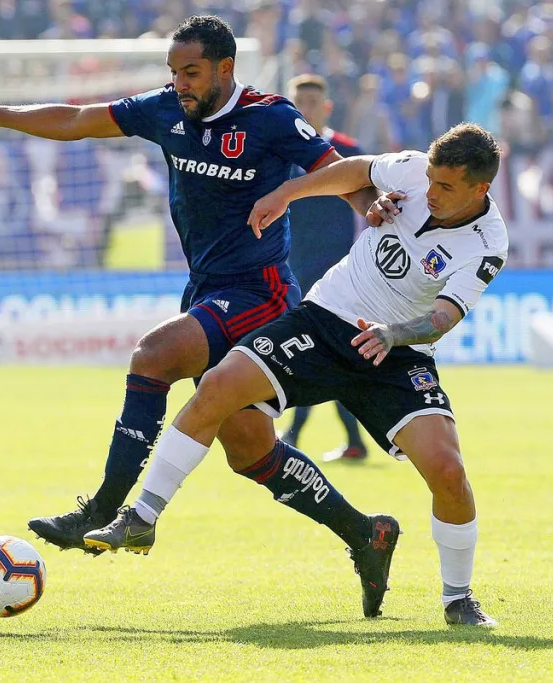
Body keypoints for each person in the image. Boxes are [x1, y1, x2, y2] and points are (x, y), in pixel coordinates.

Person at [0, 17, 398, 608]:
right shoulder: (164, 111)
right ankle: (366, 532)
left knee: (153, 356)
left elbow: (337, 170)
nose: (179, 83)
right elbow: (76, 120)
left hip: (261, 291)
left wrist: (369, 203)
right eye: (173, 72)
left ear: (226, 69)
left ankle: (103, 509)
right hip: (207, 290)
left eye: (191, 72)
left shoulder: (269, 117)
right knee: (249, 448)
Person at [86, 123, 507, 627]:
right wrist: (288, 192)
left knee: (449, 472)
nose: (430, 193)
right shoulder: (417, 169)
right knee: (218, 386)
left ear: (479, 189)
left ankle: (458, 599)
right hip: (325, 318)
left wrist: (394, 334)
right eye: (431, 181)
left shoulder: (487, 243)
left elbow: (443, 316)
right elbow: (354, 170)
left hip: (394, 352)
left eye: (445, 188)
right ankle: (142, 517)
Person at [280, 73, 369, 462]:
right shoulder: (280, 154)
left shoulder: (347, 151)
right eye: (299, 103)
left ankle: (295, 434)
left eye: (313, 103)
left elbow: (371, 204)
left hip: (339, 272)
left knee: (315, 352)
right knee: (318, 355)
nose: (306, 110)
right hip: (291, 270)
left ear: (327, 107)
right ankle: (353, 440)